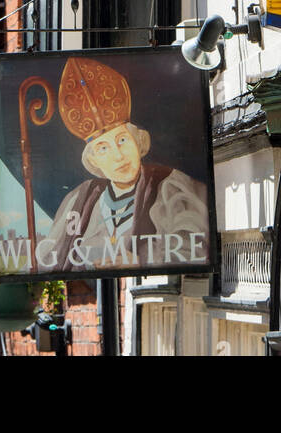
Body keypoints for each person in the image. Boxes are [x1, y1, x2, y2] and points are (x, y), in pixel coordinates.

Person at [39, 56, 209, 273]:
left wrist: (142, 261)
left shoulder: (170, 187)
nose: (118, 156)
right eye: (103, 148)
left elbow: (198, 247)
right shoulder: (79, 199)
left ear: (137, 141)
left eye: (122, 140)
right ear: (93, 160)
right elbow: (49, 259)